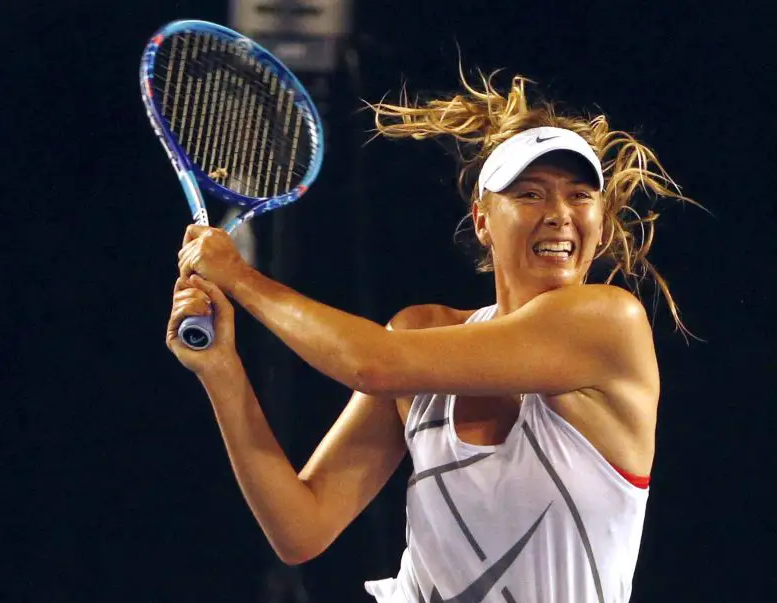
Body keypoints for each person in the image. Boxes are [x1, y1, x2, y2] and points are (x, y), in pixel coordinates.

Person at [167, 70, 693, 603]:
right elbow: (301, 528)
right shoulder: (422, 333)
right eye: (530, 194)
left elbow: (371, 365)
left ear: (600, 223)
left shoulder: (609, 322)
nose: (559, 214)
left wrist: (240, 278)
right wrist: (221, 369)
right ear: (482, 220)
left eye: (579, 196)